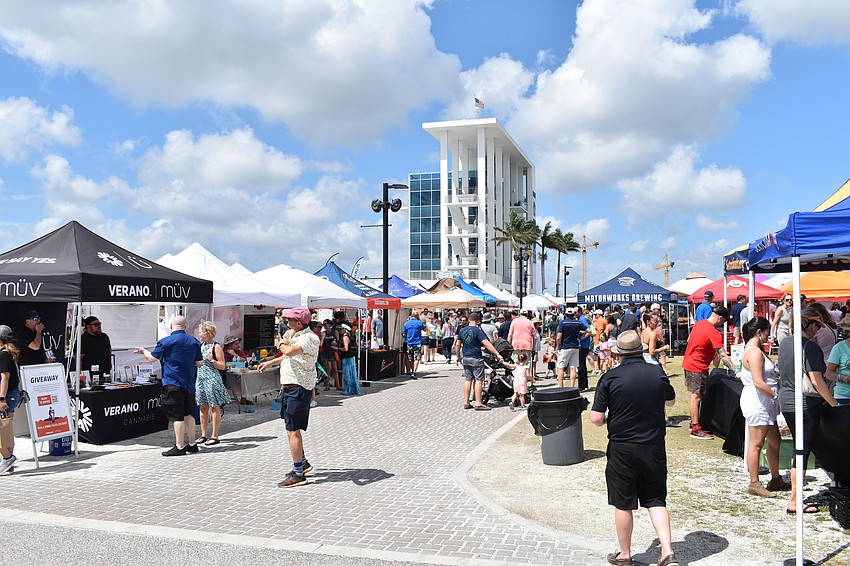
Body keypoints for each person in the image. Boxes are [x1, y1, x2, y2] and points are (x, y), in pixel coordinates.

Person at [589, 330, 678, 566]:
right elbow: (670, 401)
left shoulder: (610, 378)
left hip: (623, 447)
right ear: (640, 350)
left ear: (619, 354)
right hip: (653, 445)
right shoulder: (657, 372)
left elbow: (596, 419)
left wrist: (614, 416)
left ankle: (625, 554)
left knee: (623, 502)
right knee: (656, 499)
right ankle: (668, 552)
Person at [777, 307, 838, 513]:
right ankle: (795, 500)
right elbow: (816, 380)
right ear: (809, 325)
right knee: (802, 452)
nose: (818, 331)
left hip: (786, 401)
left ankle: (796, 497)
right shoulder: (809, 347)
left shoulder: (785, 343)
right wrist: (834, 404)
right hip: (804, 403)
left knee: (799, 449)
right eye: (817, 326)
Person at [257, 307, 320, 488]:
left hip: (299, 388)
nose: (286, 323)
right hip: (290, 387)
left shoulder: (309, 338)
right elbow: (288, 357)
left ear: (299, 323)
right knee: (290, 427)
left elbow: (290, 352)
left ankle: (299, 473)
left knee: (293, 430)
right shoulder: (294, 335)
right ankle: (303, 462)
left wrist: (282, 344)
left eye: (289, 320)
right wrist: (270, 361)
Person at [135, 315, 202, 457]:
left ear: (171, 326)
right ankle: (192, 443)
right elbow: (199, 363)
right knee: (189, 414)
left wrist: (143, 351)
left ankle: (179, 446)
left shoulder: (165, 341)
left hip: (172, 383)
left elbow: (152, 358)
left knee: (177, 416)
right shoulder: (194, 342)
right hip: (189, 383)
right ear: (185, 326)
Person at [739, 317, 789, 498]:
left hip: (765, 402)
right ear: (759, 332)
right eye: (767, 331)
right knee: (757, 443)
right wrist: (777, 396)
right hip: (758, 401)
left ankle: (776, 478)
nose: (769, 335)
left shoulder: (756, 350)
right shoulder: (754, 352)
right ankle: (754, 482)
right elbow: (759, 382)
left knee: (775, 441)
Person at [682, 306, 735, 440]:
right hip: (697, 366)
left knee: (698, 395)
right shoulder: (713, 332)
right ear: (720, 318)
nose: (722, 325)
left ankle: (695, 421)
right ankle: (695, 428)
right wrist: (736, 370)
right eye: (723, 322)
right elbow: (722, 355)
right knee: (697, 397)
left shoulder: (699, 324)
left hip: (689, 363)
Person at [455, 311, 505, 411]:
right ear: (478, 321)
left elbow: (457, 344)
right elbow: (486, 344)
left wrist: (458, 356)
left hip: (466, 358)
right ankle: (478, 403)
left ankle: (466, 402)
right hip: (476, 357)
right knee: (479, 380)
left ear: (469, 320)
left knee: (468, 380)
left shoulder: (462, 330)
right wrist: (497, 353)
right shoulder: (478, 331)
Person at [194, 321, 231, 446]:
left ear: (207, 333)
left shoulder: (216, 346)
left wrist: (212, 360)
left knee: (214, 407)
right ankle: (203, 434)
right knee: (202, 406)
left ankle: (215, 435)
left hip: (212, 379)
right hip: (201, 379)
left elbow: (222, 366)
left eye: (201, 332)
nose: (199, 334)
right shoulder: (200, 346)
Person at [0, 325, 21, 475]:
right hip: (11, 395)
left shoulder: (4, 355)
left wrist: (1, 399)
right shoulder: (6, 353)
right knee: (6, 430)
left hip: (6, 396)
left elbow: (5, 378)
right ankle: (8, 465)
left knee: (3, 429)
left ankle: (8, 458)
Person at [555, 308, 591, 388]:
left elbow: (558, 337)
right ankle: (572, 387)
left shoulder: (563, 323)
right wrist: (581, 337)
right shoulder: (578, 323)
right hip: (575, 346)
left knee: (560, 367)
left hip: (565, 346)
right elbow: (589, 331)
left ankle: (561, 386)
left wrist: (558, 345)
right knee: (573, 368)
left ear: (566, 314)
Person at [79, 316, 112, 380]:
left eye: (99, 324)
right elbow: (78, 358)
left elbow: (109, 350)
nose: (99, 326)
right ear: (88, 326)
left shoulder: (104, 337)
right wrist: (81, 376)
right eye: (96, 324)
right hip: (91, 376)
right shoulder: (82, 339)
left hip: (106, 374)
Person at [507, 310, 536, 384]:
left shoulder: (514, 321)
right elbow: (534, 337)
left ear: (520, 314)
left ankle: (516, 381)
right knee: (526, 364)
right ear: (527, 315)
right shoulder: (530, 322)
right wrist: (533, 347)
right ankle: (524, 382)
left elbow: (510, 334)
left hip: (516, 345)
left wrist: (508, 345)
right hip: (527, 345)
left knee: (516, 363)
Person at [338, 323, 360, 395]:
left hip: (347, 358)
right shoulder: (346, 337)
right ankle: (353, 389)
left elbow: (346, 349)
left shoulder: (345, 338)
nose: (340, 330)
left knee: (347, 374)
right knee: (352, 374)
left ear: (345, 330)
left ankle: (348, 390)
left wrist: (337, 348)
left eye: (341, 329)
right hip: (349, 357)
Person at [403, 310, 426, 379]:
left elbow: (403, 334)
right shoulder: (419, 323)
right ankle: (414, 372)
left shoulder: (406, 324)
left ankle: (412, 370)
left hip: (409, 343)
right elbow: (424, 329)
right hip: (417, 343)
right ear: (417, 316)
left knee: (411, 359)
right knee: (417, 358)